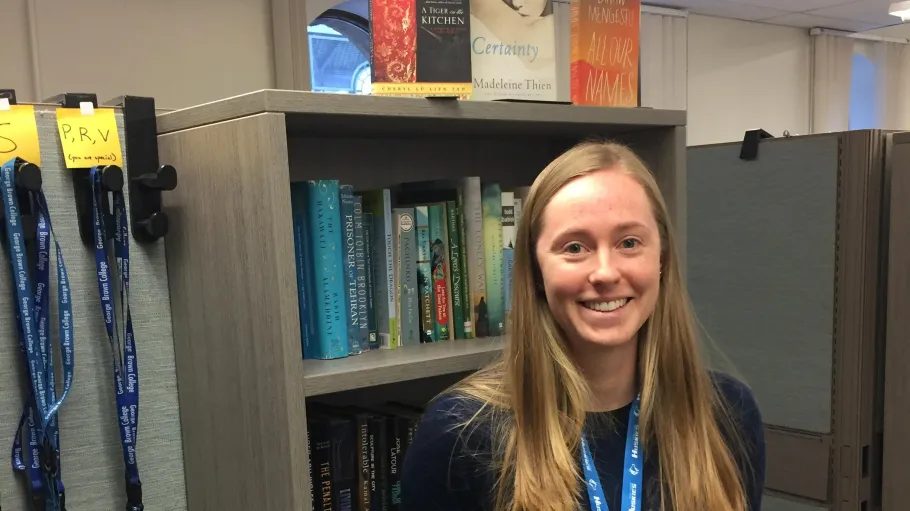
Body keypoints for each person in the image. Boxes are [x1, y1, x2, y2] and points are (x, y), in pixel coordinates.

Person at [399, 141, 766, 511]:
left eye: (629, 242)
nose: (605, 272)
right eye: (574, 247)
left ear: (662, 259)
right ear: (536, 273)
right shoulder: (459, 434)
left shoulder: (727, 413)